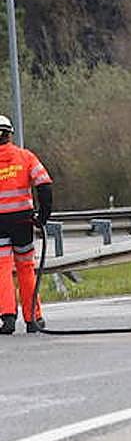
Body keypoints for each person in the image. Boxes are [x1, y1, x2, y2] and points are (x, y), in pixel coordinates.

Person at [0, 115, 52, 333]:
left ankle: (7, 318)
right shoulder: (25, 157)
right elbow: (44, 185)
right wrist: (43, 216)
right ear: (10, 135)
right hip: (22, 221)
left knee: (2, 268)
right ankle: (32, 318)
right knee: (25, 267)